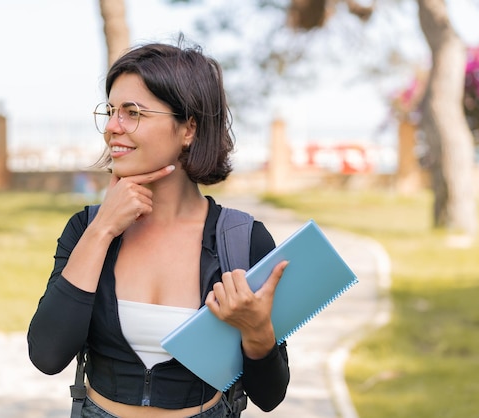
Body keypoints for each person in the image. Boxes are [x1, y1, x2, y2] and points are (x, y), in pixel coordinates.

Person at [27, 38, 290, 418]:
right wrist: (102, 231)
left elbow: (269, 396)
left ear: (188, 129)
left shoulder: (243, 240)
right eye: (112, 111)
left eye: (133, 112)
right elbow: (47, 355)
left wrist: (257, 331)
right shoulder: (86, 228)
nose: (113, 127)